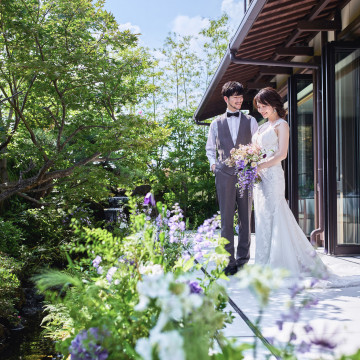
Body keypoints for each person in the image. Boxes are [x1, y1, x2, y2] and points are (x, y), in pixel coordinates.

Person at [252, 87, 327, 276]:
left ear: (274, 104)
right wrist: (249, 162)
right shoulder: (261, 127)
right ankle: (263, 264)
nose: (261, 110)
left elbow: (282, 154)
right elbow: (254, 151)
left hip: (273, 176)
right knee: (262, 218)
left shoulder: (281, 125)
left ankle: (280, 265)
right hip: (259, 180)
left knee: (276, 215)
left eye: (264, 106)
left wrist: (261, 166)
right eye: (259, 107)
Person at [206, 81, 258, 276]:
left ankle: (243, 261)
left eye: (241, 96)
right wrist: (214, 166)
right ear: (226, 99)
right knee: (226, 219)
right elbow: (210, 148)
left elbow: (257, 146)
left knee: (245, 218)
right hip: (223, 174)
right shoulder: (215, 123)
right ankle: (229, 262)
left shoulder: (251, 121)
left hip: (246, 174)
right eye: (235, 97)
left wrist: (252, 161)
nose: (239, 100)